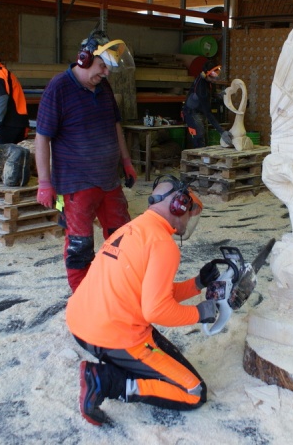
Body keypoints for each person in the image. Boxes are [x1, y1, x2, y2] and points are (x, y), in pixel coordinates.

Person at [65, 175, 221, 426]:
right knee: (193, 392)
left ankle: (116, 370)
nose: (188, 220)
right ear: (178, 206)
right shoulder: (163, 244)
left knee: (168, 360)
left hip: (81, 324)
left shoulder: (133, 228)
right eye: (188, 213)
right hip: (113, 336)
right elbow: (157, 310)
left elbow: (151, 291)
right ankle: (106, 381)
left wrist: (197, 284)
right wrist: (199, 314)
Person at [34, 31, 138, 292]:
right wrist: (45, 183)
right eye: (102, 66)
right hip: (76, 185)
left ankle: (118, 287)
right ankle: (82, 297)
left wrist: (126, 161)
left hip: (108, 180)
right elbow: (42, 137)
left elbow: (115, 126)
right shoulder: (58, 88)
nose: (106, 73)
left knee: (122, 237)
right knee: (80, 245)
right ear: (84, 58)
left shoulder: (103, 87)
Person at [182, 60, 233, 148]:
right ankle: (199, 154)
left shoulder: (209, 81)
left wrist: (218, 95)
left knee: (204, 136)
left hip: (200, 110)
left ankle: (203, 154)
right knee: (199, 136)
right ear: (205, 74)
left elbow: (211, 92)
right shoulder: (201, 89)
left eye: (217, 73)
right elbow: (208, 113)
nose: (215, 77)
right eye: (213, 74)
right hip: (192, 112)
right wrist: (221, 132)